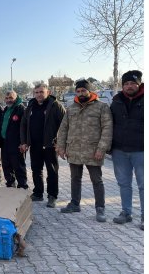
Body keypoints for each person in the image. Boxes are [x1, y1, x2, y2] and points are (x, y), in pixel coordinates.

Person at [57, 79, 113, 222]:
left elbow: (107, 128)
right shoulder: (71, 108)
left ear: (89, 91)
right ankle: (75, 204)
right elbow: (63, 129)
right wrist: (61, 147)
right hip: (74, 150)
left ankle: (100, 208)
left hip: (93, 151)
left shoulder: (101, 107)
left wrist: (102, 148)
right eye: (78, 91)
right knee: (75, 178)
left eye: (83, 90)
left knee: (97, 180)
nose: (81, 93)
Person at [20, 83, 66, 208]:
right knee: (36, 169)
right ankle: (38, 193)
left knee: (51, 171)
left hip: (50, 146)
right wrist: (24, 142)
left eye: (41, 92)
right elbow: (23, 125)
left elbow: (65, 126)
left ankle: (52, 196)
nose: (39, 94)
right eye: (37, 92)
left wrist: (60, 144)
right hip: (34, 145)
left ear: (48, 92)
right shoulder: (30, 106)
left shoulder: (55, 106)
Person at [110, 70, 144, 230]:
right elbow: (109, 124)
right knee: (124, 183)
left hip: (141, 150)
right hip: (120, 150)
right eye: (126, 83)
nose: (129, 86)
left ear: (139, 84)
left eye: (133, 83)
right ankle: (126, 212)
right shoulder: (116, 101)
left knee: (144, 185)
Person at [0, 90, 28, 190]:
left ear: (16, 98)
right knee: (6, 164)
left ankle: (22, 186)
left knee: (18, 165)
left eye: (11, 98)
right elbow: (1, 125)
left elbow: (26, 127)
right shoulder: (5, 109)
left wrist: (24, 143)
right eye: (7, 98)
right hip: (5, 142)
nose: (9, 100)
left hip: (16, 143)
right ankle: (10, 183)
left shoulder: (21, 109)